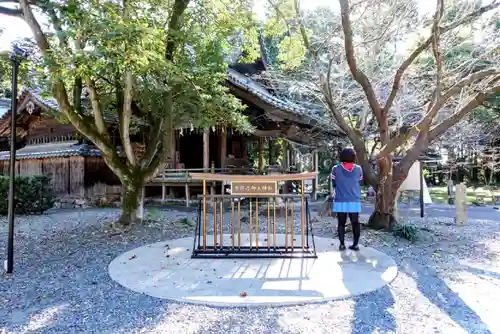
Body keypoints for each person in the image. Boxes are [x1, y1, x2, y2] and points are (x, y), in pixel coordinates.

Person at [331, 148, 363, 251]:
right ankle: (356, 244)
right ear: (354, 157)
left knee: (341, 223)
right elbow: (360, 181)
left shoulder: (335, 169)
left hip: (340, 199)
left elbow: (334, 183)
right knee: (355, 223)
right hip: (354, 199)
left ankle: (342, 244)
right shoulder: (358, 169)